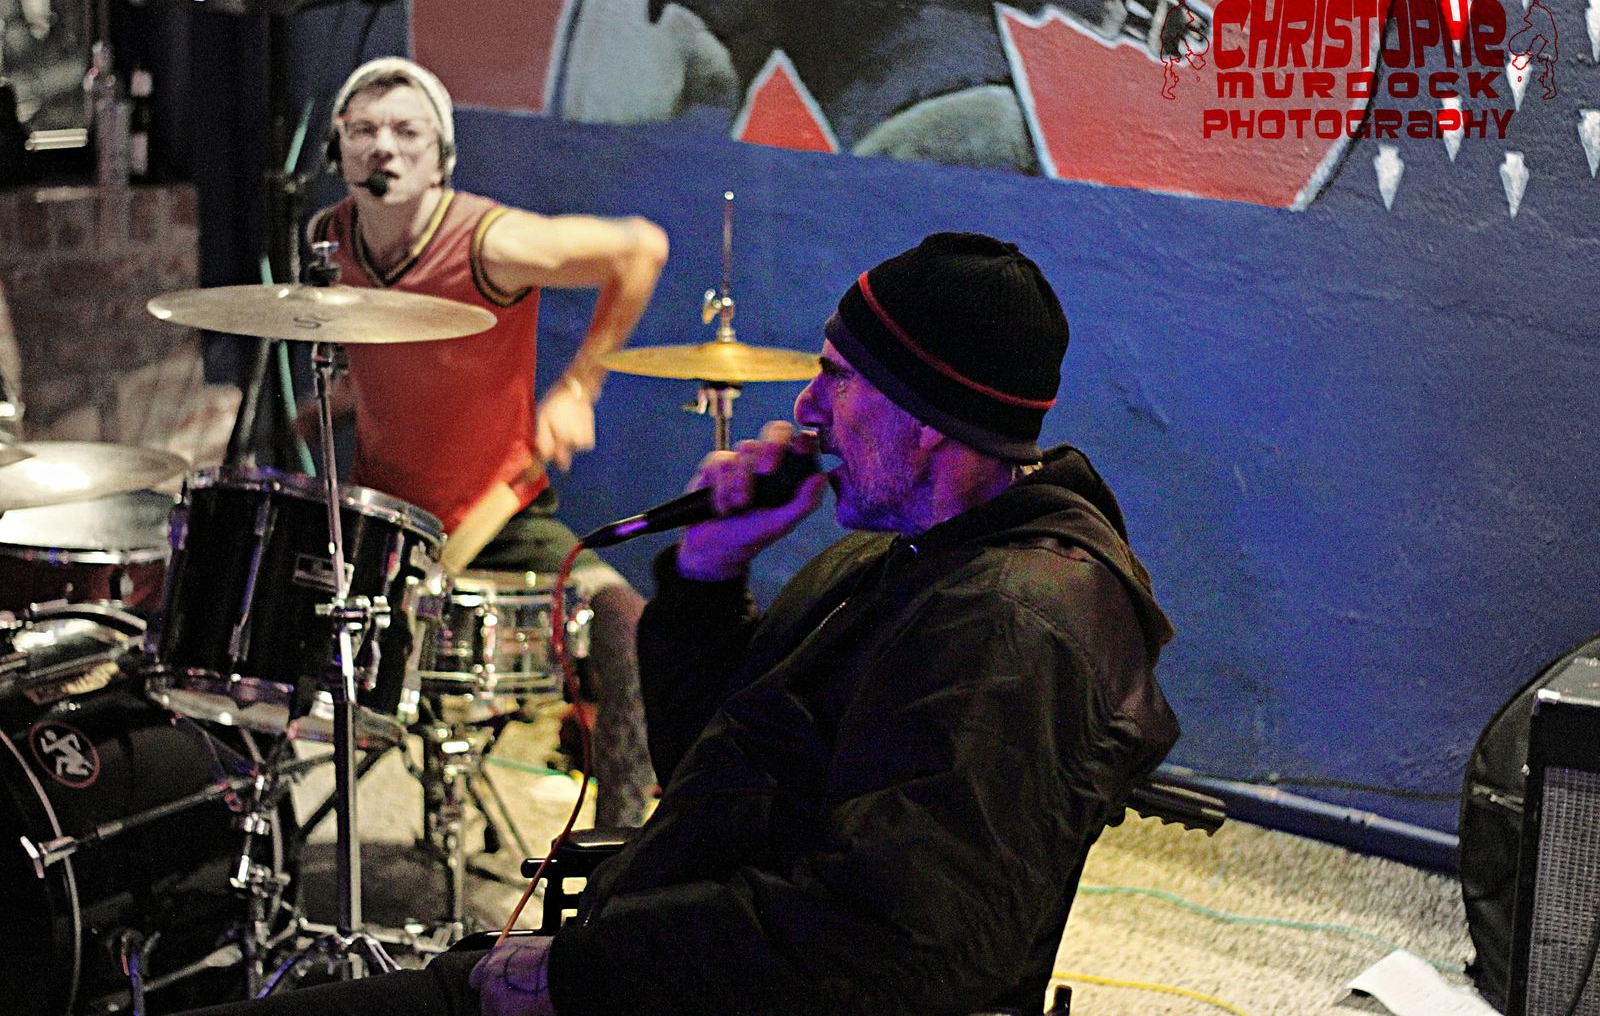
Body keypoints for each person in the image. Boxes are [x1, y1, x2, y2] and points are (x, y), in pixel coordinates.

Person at [184, 231, 1179, 1015]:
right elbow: (715, 759)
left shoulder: (1010, 625)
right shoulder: (905, 558)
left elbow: (887, 939)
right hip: (659, 961)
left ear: (923, 420)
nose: (807, 405)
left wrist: (577, 972)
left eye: (838, 376)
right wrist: (709, 570)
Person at [306, 57, 670, 826]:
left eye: (407, 131)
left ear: (440, 158)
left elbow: (640, 248)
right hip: (382, 518)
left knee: (625, 626)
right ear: (338, 149)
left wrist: (580, 386)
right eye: (364, 130)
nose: (384, 146)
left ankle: (621, 845)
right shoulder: (325, 243)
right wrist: (333, 405)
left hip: (496, 513)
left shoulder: (489, 242)